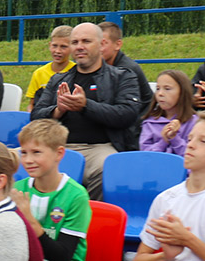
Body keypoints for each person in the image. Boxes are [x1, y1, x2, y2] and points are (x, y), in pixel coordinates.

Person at [30, 22, 141, 199]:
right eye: (74, 42)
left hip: (99, 147)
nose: (79, 47)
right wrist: (58, 110)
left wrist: (86, 106)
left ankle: (87, 215)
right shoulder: (58, 79)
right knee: (19, 160)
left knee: (107, 168)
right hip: (60, 146)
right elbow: (35, 117)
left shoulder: (122, 77)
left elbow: (127, 114)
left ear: (101, 44)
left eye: (86, 41)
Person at [12, 119, 92, 261]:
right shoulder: (18, 189)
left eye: (36, 152)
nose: (28, 160)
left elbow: (62, 259)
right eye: (24, 153)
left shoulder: (76, 195)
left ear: (59, 154)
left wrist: (30, 220)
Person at [132, 116, 205, 261]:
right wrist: (166, 256)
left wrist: (187, 239)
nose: (190, 145)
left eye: (203, 141)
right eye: (189, 139)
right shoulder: (166, 198)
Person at [99, 20, 152, 149]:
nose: (97, 48)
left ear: (118, 45)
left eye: (103, 43)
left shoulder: (127, 70)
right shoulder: (96, 67)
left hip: (135, 126)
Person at [141, 69, 198, 155]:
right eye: (158, 88)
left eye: (167, 89)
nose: (160, 93)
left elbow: (194, 156)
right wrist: (164, 141)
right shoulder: (149, 123)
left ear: (182, 92)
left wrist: (175, 138)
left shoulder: (195, 123)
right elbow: (145, 156)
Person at [24, 25, 74, 112]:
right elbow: (31, 104)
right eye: (55, 46)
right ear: (50, 45)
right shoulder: (39, 73)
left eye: (63, 47)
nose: (57, 51)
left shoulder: (75, 71)